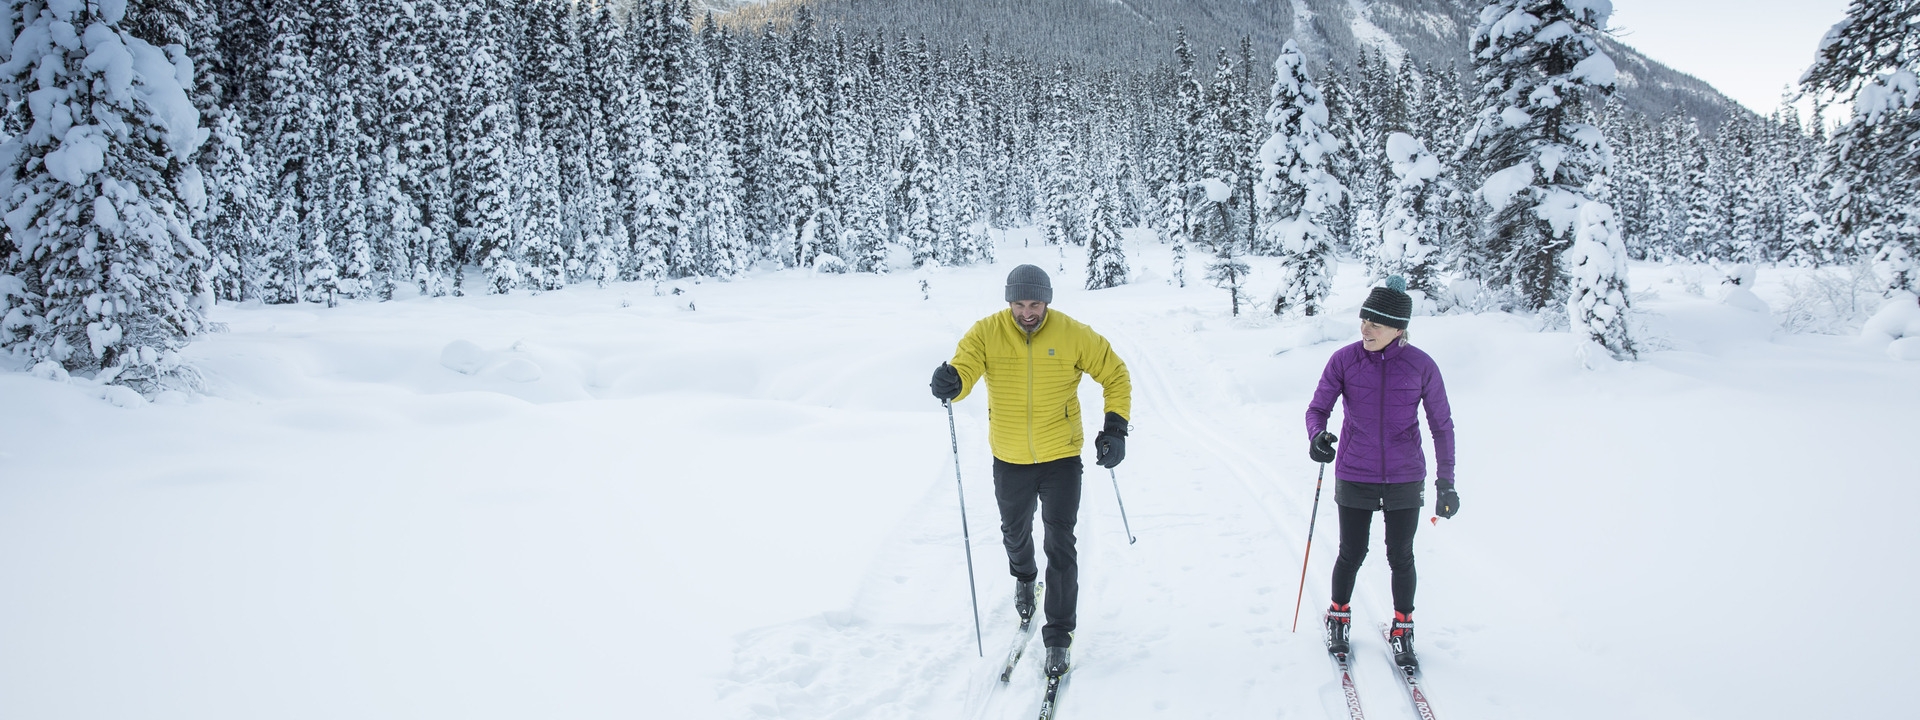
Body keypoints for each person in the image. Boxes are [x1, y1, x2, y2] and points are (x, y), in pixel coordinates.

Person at [930, 264, 1132, 679]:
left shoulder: (1074, 333)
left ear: (1048, 301)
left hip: (1061, 456)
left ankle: (1058, 636)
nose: (1027, 312)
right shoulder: (986, 332)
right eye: (1019, 304)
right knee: (1015, 533)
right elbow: (965, 369)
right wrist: (953, 381)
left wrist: (1115, 427)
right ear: (1009, 302)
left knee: (1061, 543)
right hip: (1009, 458)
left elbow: (1115, 373)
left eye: (1035, 304)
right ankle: (1024, 578)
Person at [1304, 276, 1459, 668]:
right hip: (1356, 470)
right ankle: (1338, 615)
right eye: (1363, 320)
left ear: (1398, 328)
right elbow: (1317, 409)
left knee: (1401, 555)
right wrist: (1318, 436)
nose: (1365, 328)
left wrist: (1446, 481)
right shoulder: (1345, 360)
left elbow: (1442, 425)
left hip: (1406, 476)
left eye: (1375, 323)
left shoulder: (1422, 366)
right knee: (1352, 552)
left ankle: (1403, 626)